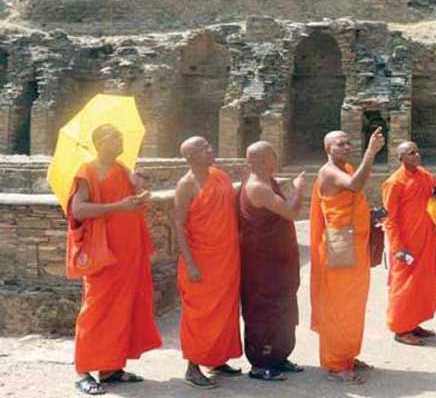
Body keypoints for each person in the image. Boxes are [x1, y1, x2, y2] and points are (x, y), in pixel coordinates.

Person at [68, 124, 161, 396]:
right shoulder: (87, 171)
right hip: (103, 253)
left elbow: (133, 195)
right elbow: (79, 209)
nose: (121, 140)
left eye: (121, 135)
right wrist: (118, 206)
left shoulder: (121, 168)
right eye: (116, 137)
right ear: (100, 142)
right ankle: (83, 371)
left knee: (123, 310)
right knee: (96, 311)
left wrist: (142, 192)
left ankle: (110, 368)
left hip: (129, 252)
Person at [310, 127, 386, 384]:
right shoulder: (329, 172)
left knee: (354, 303)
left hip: (354, 242)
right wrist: (371, 153)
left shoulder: (347, 167)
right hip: (338, 246)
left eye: (348, 143)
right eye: (340, 144)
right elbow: (355, 187)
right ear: (328, 149)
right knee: (338, 305)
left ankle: (348, 355)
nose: (346, 147)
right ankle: (335, 364)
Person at [173, 136, 242, 389]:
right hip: (201, 259)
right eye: (203, 148)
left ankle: (217, 359)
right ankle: (193, 366)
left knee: (225, 310)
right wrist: (190, 263)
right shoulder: (186, 185)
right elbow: (179, 225)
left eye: (208, 145)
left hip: (226, 256)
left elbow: (229, 210)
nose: (210, 149)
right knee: (199, 314)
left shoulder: (220, 176)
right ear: (190, 157)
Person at [240, 141, 307, 382]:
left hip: (279, 261)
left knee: (283, 308)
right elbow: (290, 212)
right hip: (263, 264)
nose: (277, 157)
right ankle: (260, 363)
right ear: (262, 160)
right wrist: (299, 189)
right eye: (273, 154)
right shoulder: (258, 186)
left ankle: (279, 356)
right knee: (264, 311)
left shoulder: (269, 181)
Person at [381, 141, 436, 346]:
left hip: (426, 240)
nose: (416, 155)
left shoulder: (425, 175)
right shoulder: (394, 182)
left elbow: (434, 192)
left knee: (423, 283)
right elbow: (389, 218)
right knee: (404, 286)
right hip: (406, 245)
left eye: (417, 151)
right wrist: (398, 247)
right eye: (410, 153)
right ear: (400, 158)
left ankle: (413, 322)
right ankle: (401, 328)